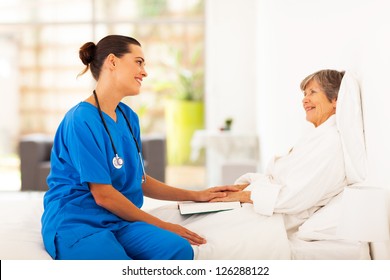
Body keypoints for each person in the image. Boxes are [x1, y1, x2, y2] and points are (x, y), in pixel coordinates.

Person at [41, 35, 235, 260]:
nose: (145, 72)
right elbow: (104, 195)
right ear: (112, 62)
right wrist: (163, 225)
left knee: (178, 249)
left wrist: (197, 195)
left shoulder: (128, 117)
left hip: (118, 220)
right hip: (78, 222)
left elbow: (139, 179)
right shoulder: (80, 120)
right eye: (139, 62)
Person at [210, 69, 347, 233]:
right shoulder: (315, 137)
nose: (304, 99)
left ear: (335, 100)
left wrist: (242, 196)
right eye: (304, 94)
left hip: (276, 219)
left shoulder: (330, 143)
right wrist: (240, 188)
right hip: (262, 204)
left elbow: (295, 197)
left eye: (313, 92)